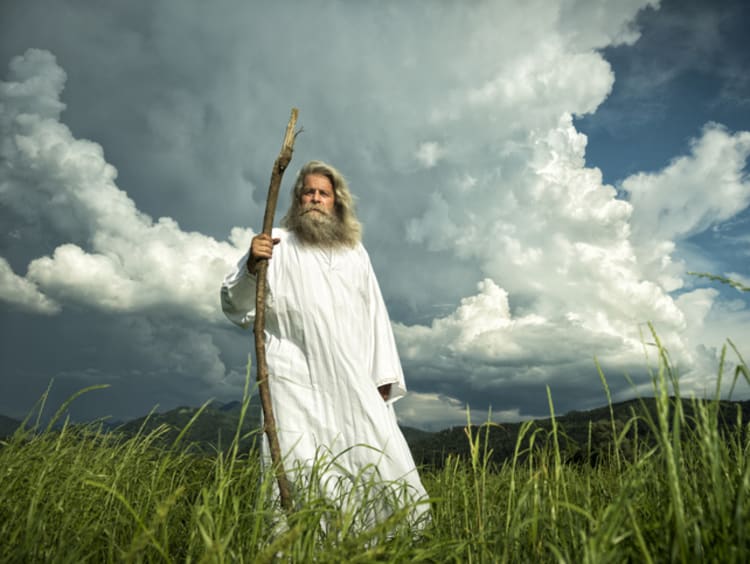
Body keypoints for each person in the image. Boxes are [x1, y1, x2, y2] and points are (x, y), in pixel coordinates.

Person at [221, 160, 428, 527]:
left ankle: (385, 544)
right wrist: (252, 265)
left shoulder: (354, 252)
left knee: (378, 458)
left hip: (351, 378)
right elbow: (235, 304)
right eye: (308, 192)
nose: (315, 198)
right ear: (298, 199)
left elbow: (375, 313)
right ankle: (299, 546)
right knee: (298, 466)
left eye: (323, 193)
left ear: (337, 202)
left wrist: (382, 375)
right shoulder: (276, 246)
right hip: (292, 381)